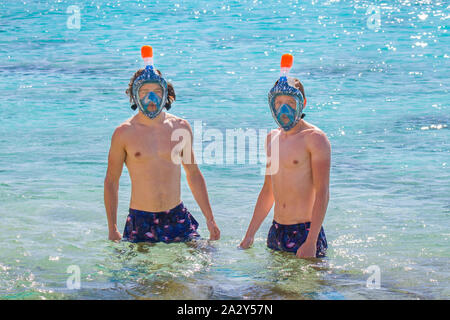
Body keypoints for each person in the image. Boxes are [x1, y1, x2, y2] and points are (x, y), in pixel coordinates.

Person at [104, 45, 220, 243]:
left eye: (157, 91)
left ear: (165, 94)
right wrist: (112, 227)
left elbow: (193, 174)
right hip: (140, 218)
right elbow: (111, 181)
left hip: (176, 215)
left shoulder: (179, 127)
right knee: (139, 274)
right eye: (145, 91)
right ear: (135, 95)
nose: (151, 97)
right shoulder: (124, 133)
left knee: (202, 269)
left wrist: (210, 219)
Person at [240, 54, 330, 258]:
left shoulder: (315, 138)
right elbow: (268, 190)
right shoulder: (272, 138)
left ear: (303, 103)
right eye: (279, 102)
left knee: (307, 289)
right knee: (273, 290)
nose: (284, 108)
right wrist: (250, 235)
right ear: (272, 104)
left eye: (290, 101)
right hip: (276, 231)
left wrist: (311, 241)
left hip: (305, 232)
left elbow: (323, 192)